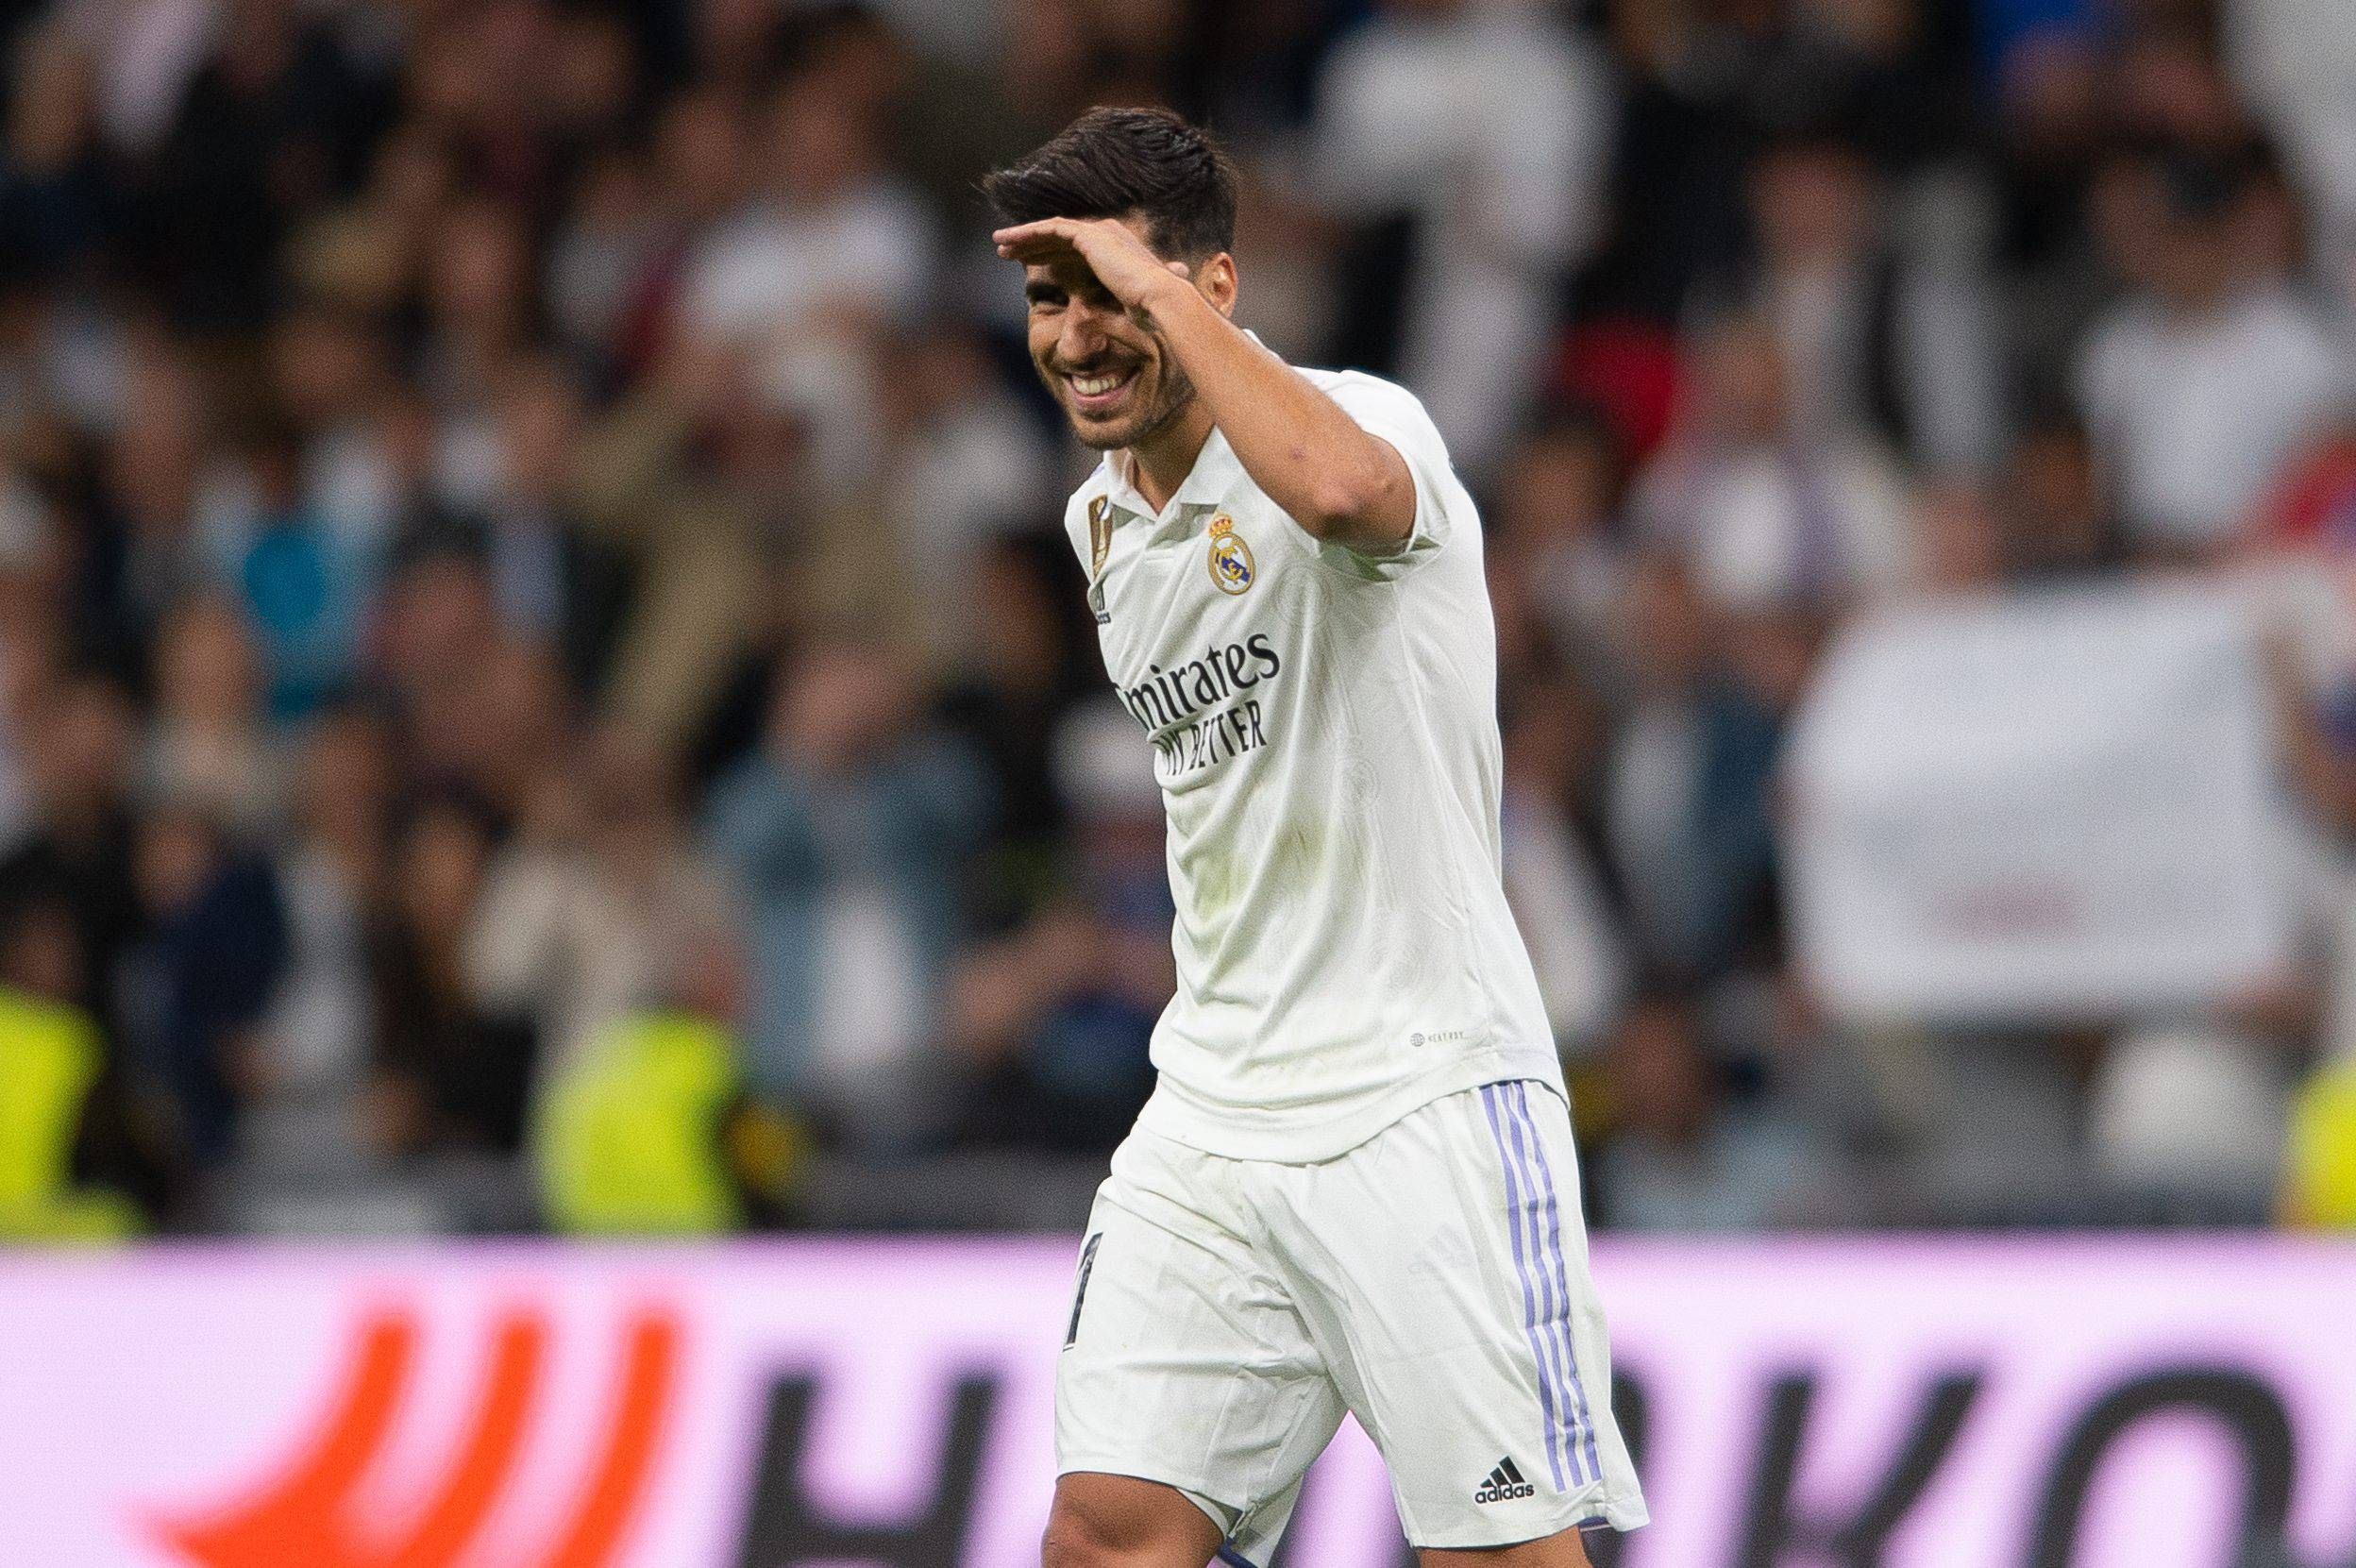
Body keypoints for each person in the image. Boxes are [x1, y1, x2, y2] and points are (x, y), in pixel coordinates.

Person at [984, 108, 1647, 1568]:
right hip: (1219, 1100)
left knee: (1503, 1555)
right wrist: (1130, 288)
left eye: (1114, 287)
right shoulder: (1101, 522)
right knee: (1105, 1536)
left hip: (1421, 1089)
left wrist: (1154, 293)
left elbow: (1341, 496)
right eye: (1052, 298)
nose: (1081, 335)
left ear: (1212, 289)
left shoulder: (1362, 423)